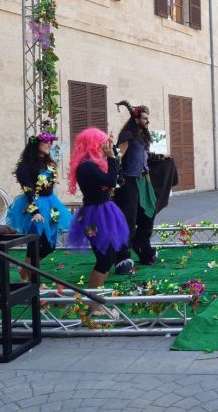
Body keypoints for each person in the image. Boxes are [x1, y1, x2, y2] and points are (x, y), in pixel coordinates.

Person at [67, 128, 130, 316]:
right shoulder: (86, 166)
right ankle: (92, 305)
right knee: (103, 260)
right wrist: (112, 158)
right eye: (102, 143)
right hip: (95, 216)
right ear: (94, 144)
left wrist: (111, 160)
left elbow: (113, 180)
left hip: (103, 212)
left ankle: (96, 301)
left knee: (108, 258)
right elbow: (111, 181)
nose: (106, 146)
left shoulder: (93, 165)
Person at [7, 130, 72, 281]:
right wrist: (35, 211)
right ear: (36, 144)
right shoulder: (25, 167)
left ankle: (25, 270)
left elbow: (49, 181)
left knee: (50, 246)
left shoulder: (48, 162)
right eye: (45, 142)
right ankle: (31, 278)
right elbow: (28, 190)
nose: (49, 144)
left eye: (50, 142)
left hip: (52, 205)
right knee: (34, 245)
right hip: (34, 206)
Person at [112, 100, 162, 274]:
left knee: (148, 215)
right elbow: (117, 156)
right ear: (136, 119)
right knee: (128, 220)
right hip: (129, 182)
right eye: (145, 118)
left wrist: (161, 157)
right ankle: (122, 257)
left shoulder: (142, 135)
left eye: (148, 118)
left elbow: (143, 156)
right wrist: (117, 177)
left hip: (143, 181)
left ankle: (143, 248)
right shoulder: (127, 135)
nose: (148, 121)